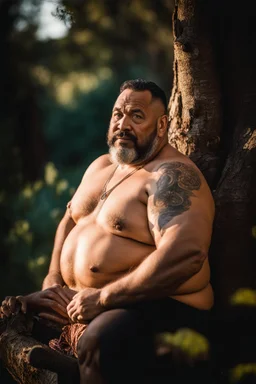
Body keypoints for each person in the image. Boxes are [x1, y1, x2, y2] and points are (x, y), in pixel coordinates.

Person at [1, 79, 215, 383]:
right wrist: (52, 284)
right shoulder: (101, 166)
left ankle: (79, 362)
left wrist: (103, 299)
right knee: (12, 313)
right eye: (118, 115)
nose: (123, 124)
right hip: (82, 302)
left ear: (162, 125)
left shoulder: (170, 175)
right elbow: (70, 219)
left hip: (161, 305)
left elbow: (186, 253)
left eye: (137, 116)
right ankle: (69, 364)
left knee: (99, 340)